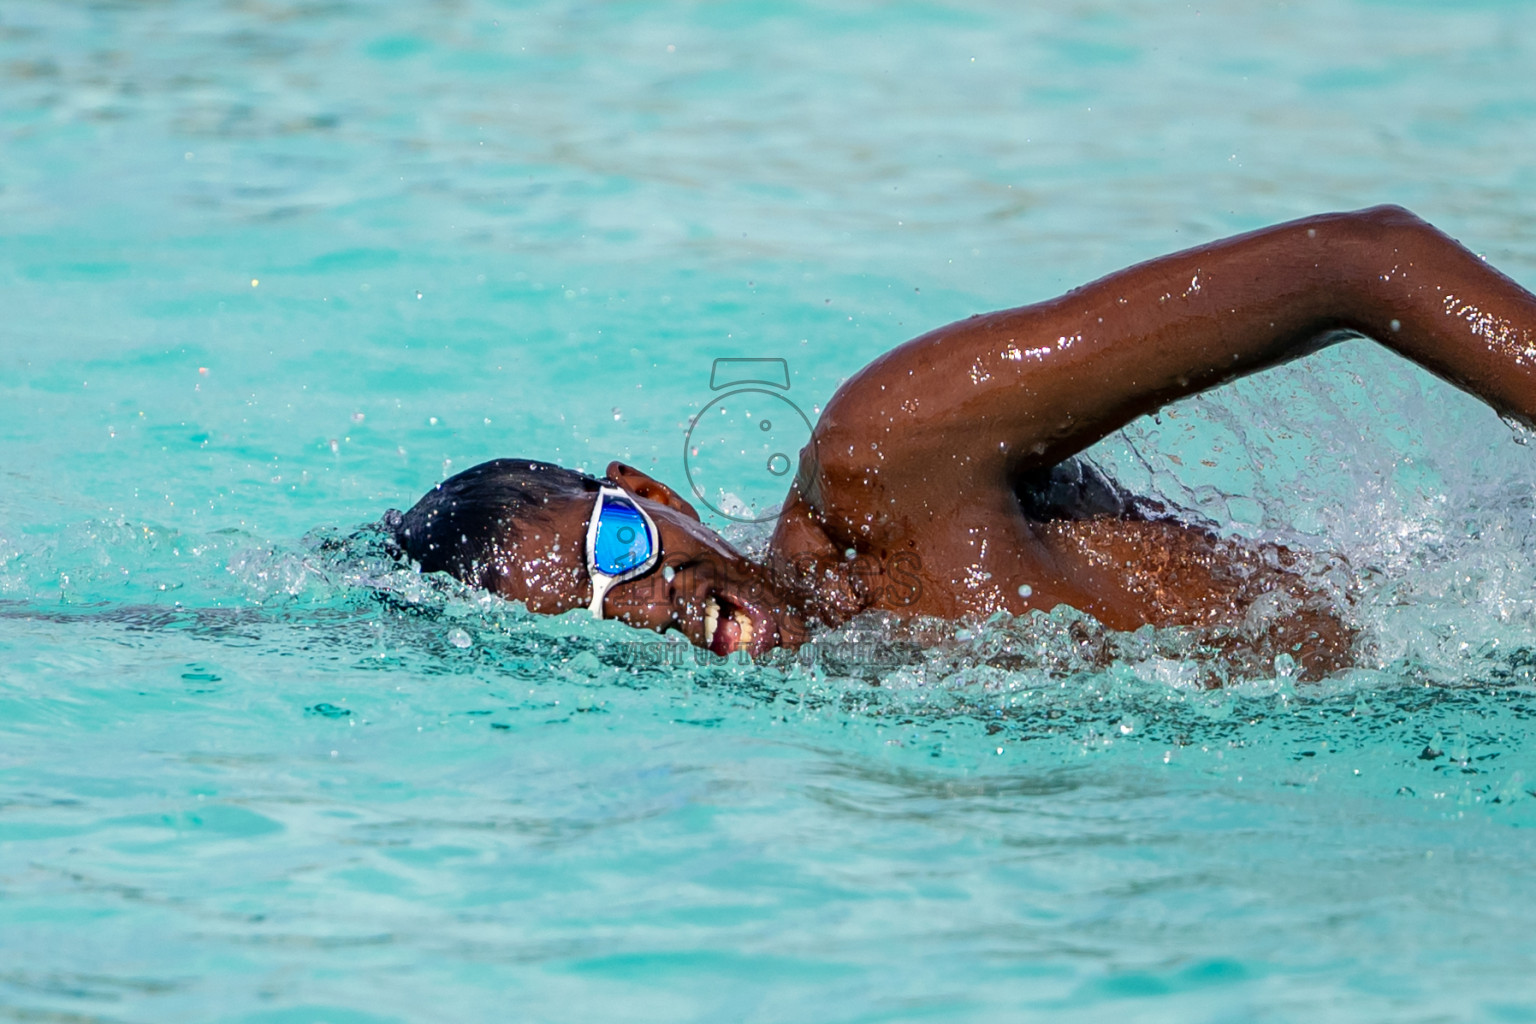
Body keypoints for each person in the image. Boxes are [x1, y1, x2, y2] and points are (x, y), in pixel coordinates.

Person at [389, 205, 1536, 678]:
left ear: (646, 491)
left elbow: (1358, 260)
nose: (655, 604)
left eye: (623, 543)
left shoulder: (890, 456)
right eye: (600, 620)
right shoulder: (862, 719)